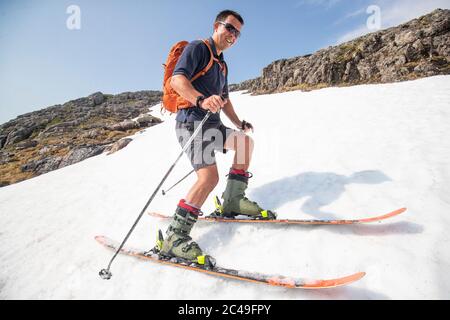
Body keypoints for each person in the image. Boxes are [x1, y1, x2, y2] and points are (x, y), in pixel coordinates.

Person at [159, 10, 276, 264]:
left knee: (245, 143)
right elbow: (177, 81)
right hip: (191, 124)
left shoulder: (222, 64)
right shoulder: (198, 48)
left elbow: (225, 101)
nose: (233, 35)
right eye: (230, 28)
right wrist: (200, 99)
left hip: (213, 125)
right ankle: (174, 237)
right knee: (208, 177)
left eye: (238, 33)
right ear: (217, 26)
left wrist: (239, 123)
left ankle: (232, 201)